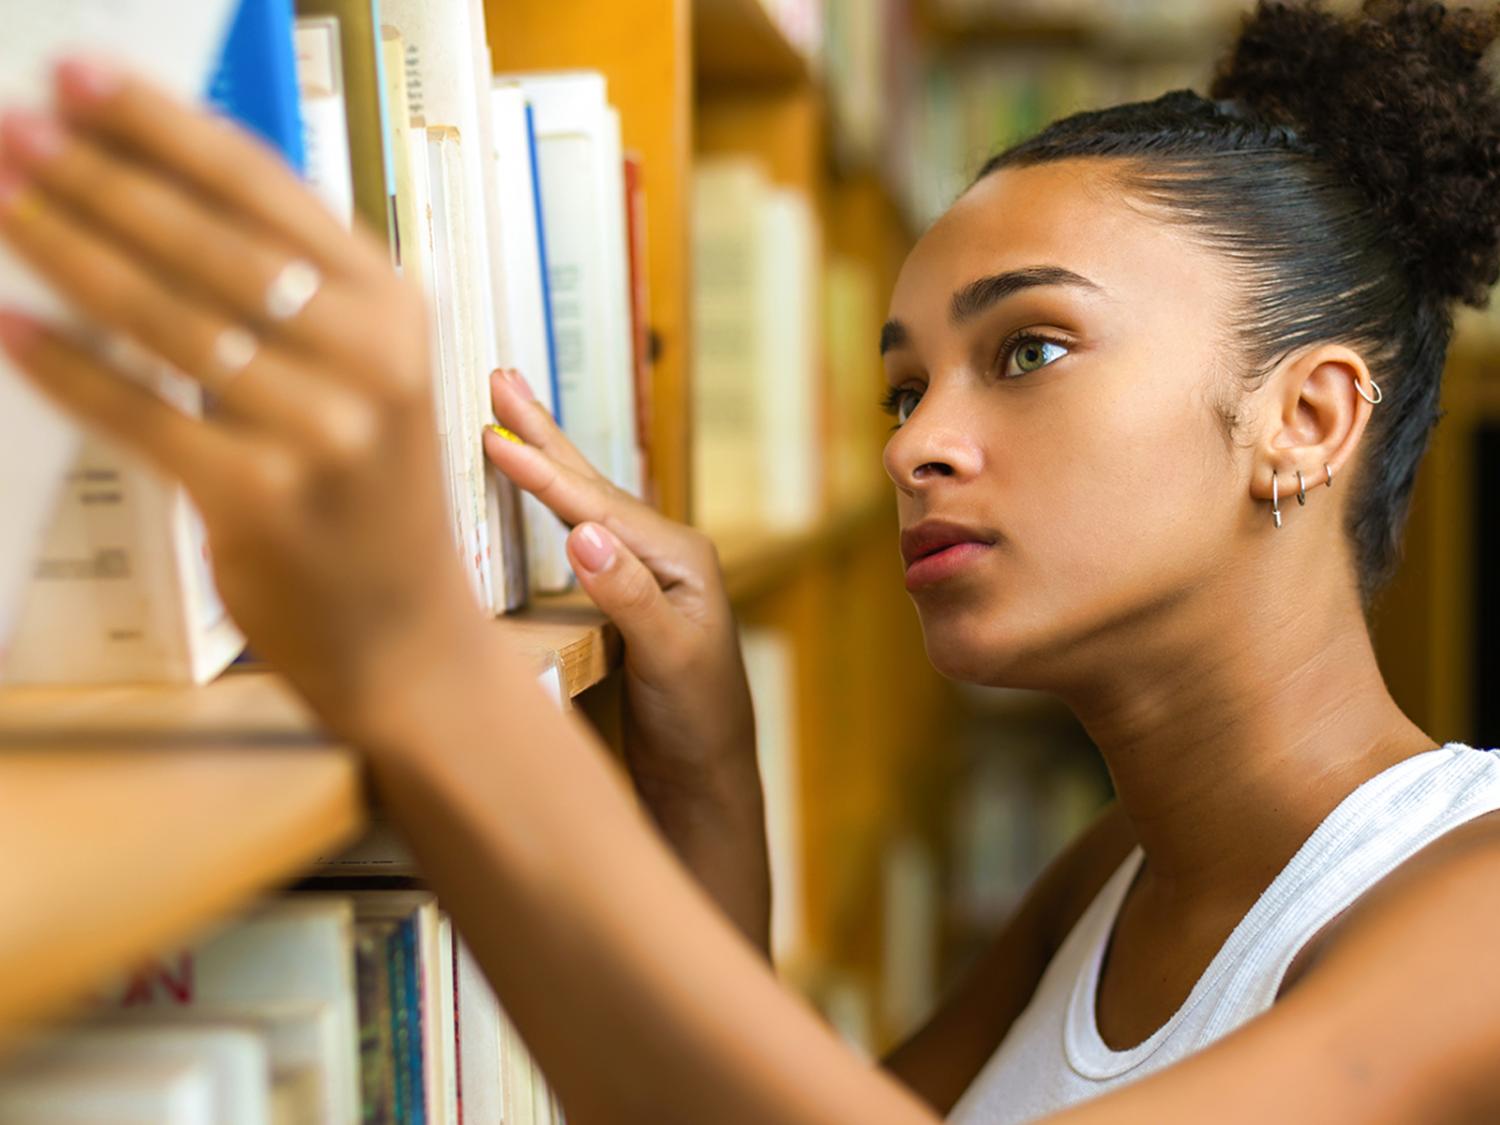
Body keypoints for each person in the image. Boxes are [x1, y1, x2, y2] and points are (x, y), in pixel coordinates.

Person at [4, 0, 1500, 1119]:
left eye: (1028, 348)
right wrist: (708, 762)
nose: (915, 448)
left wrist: (420, 662)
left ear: (1307, 417)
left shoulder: (1476, 909)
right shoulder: (1123, 865)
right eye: (905, 388)